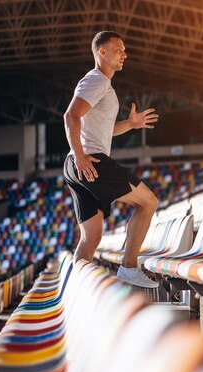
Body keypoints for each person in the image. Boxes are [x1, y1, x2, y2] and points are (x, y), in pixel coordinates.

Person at [63, 31, 160, 288]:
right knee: (148, 202)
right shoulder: (97, 81)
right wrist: (82, 156)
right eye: (118, 49)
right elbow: (70, 116)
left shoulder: (100, 84)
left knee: (91, 237)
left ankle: (73, 289)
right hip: (91, 162)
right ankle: (129, 268)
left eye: (124, 49)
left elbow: (102, 128)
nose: (124, 54)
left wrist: (130, 123)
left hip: (77, 164)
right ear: (101, 52)